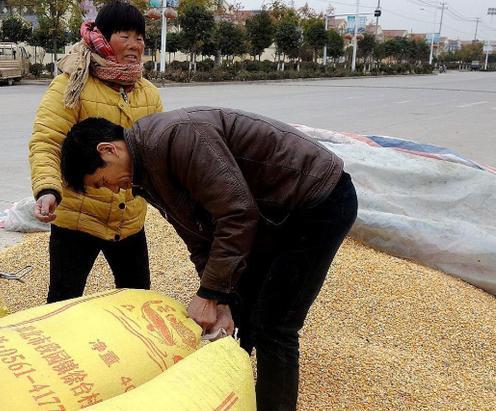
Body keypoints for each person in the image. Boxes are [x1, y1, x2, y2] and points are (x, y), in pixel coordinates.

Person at [60, 107, 358, 410]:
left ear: (108, 150)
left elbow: (237, 214)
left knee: (274, 324)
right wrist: (221, 300)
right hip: (270, 213)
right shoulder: (146, 173)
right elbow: (199, 236)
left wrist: (210, 294)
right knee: (240, 306)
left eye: (103, 181)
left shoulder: (176, 137)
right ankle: (233, 396)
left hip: (316, 201)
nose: (113, 190)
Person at [29, 0, 162, 304]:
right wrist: (47, 189)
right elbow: (47, 141)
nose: (135, 45)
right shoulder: (72, 84)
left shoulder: (148, 93)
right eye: (125, 36)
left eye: (139, 37)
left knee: (137, 299)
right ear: (102, 38)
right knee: (64, 301)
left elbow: (155, 153)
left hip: (128, 219)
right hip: (77, 216)